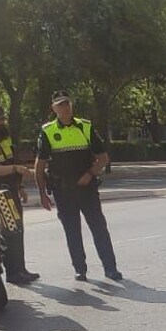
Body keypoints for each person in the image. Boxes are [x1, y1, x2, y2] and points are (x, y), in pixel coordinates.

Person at [35, 89, 122, 281]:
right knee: (72, 230)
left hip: (86, 188)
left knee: (98, 226)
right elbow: (39, 165)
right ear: (54, 108)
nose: (65, 107)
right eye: (60, 105)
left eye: (67, 103)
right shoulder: (48, 131)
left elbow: (103, 158)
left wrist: (90, 173)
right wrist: (42, 193)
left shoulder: (85, 127)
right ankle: (80, 269)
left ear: (71, 104)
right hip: (62, 190)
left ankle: (110, 268)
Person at [0, 104, 38, 285]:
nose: (0, 123)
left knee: (17, 230)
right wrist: (15, 168)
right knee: (9, 231)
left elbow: (12, 162)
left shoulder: (6, 139)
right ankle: (13, 273)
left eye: (2, 119)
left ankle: (21, 268)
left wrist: (20, 188)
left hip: (10, 191)